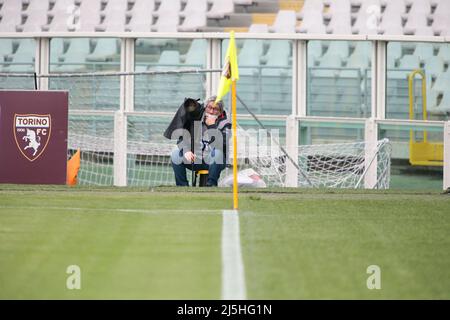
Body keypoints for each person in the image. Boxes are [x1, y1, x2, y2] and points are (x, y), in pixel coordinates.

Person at [164, 96, 231, 186]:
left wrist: (212, 126)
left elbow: (221, 144)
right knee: (176, 154)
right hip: (196, 158)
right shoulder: (196, 118)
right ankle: (182, 186)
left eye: (215, 109)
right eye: (209, 108)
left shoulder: (225, 123)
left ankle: (211, 185)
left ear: (220, 111)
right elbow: (181, 138)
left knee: (217, 153)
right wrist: (186, 151)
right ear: (205, 107)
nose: (211, 111)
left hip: (215, 160)